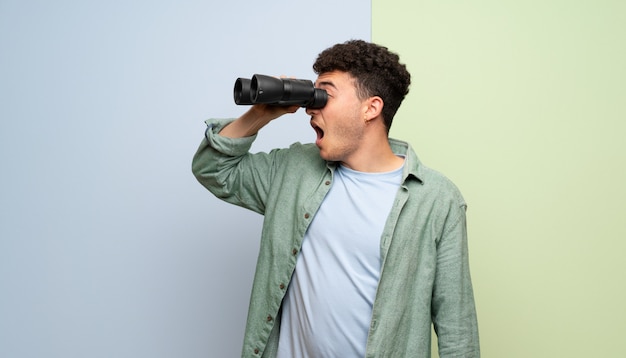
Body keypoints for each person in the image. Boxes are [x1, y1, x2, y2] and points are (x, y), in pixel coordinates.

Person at [192, 40, 479, 358]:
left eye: (324, 94)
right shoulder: (294, 170)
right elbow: (215, 171)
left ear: (371, 107)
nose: (311, 108)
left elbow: (457, 332)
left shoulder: (437, 200)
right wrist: (259, 114)